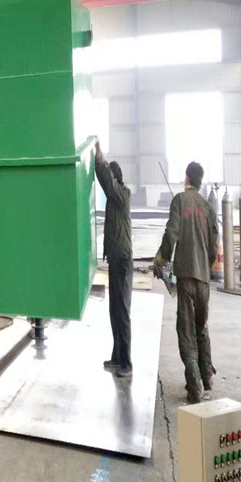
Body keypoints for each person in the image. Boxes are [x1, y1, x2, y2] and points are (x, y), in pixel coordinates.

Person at [154, 161, 218, 404]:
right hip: (204, 278)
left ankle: (194, 387)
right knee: (201, 326)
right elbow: (213, 247)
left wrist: (161, 259)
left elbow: (172, 233)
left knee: (186, 329)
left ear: (186, 179)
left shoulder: (179, 200)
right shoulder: (208, 207)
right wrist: (205, 266)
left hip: (186, 277)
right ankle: (207, 378)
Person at [94, 140, 133, 378]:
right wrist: (98, 164)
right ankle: (117, 357)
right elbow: (105, 181)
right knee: (114, 311)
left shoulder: (122, 195)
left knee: (123, 312)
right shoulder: (114, 198)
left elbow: (107, 182)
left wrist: (100, 158)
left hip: (123, 261)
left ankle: (126, 362)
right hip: (116, 260)